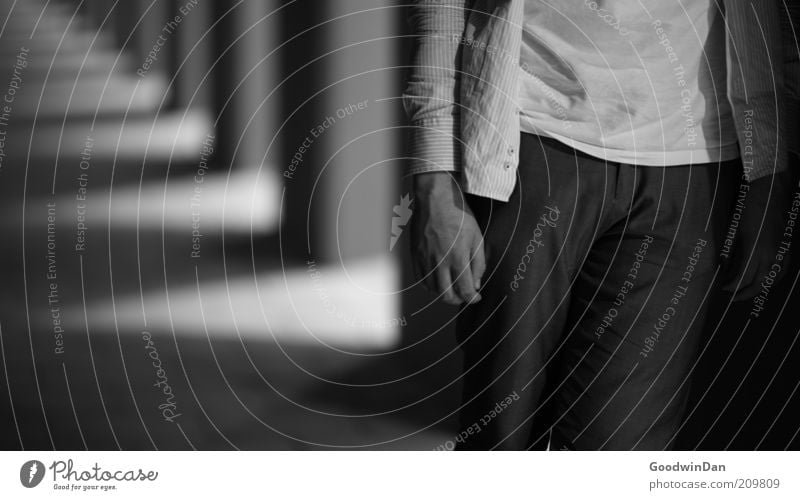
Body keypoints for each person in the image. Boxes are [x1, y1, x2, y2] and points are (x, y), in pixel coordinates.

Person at [403, 0, 790, 450]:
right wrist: (434, 178)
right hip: (530, 146)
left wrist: (769, 176)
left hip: (689, 161)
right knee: (501, 430)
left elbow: (774, 17)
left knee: (621, 448)